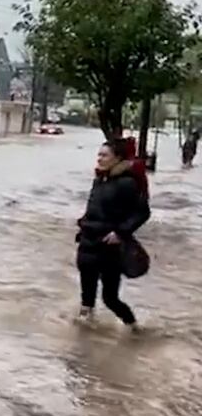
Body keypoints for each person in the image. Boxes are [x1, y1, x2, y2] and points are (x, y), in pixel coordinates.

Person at [76, 139, 151, 331]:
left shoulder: (127, 183)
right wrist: (82, 224)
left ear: (117, 158)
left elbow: (142, 212)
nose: (99, 159)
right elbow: (94, 208)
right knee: (86, 299)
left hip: (109, 248)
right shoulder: (99, 180)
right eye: (98, 155)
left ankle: (134, 328)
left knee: (110, 298)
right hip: (87, 244)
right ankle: (83, 340)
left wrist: (120, 233)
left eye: (104, 155)